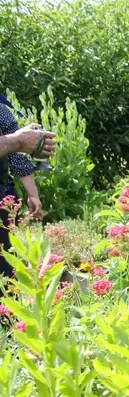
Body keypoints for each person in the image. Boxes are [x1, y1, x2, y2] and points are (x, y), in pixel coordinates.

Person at [0, 94, 54, 279]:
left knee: (6, 269)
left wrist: (33, 195)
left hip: (2, 197)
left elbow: (17, 155)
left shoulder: (1, 111)